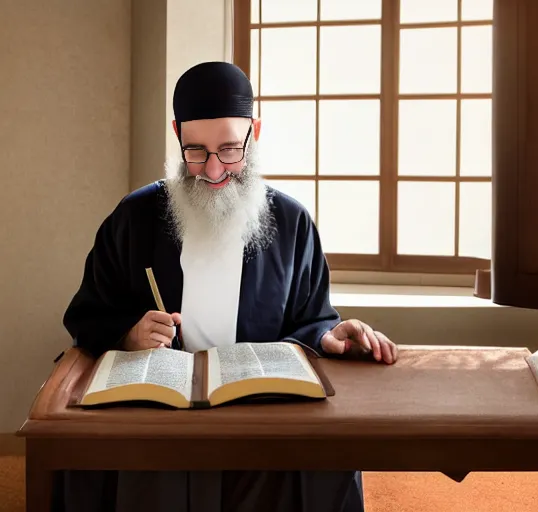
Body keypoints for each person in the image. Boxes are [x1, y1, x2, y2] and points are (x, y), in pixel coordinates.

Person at [54, 61, 398, 512]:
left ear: (254, 132)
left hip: (261, 415)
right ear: (177, 133)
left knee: (319, 457)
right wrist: (128, 333)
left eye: (230, 150)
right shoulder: (134, 217)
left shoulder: (291, 223)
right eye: (195, 151)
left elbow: (311, 319)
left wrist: (327, 335)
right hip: (161, 417)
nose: (213, 170)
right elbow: (86, 313)